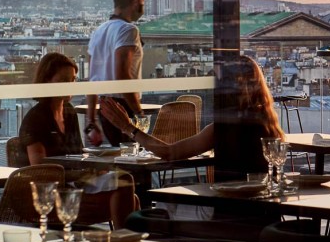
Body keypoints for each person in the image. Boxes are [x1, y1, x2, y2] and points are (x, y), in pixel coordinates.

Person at [102, 55, 285, 180]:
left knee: (162, 210)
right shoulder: (266, 121)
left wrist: (128, 127)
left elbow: (169, 152)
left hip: (229, 211)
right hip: (260, 213)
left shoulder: (227, 127)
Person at [19, 53, 135, 227]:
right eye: (64, 81)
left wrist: (95, 166)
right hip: (55, 192)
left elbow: (78, 154)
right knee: (125, 188)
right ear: (46, 81)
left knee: (130, 194)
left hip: (75, 182)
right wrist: (86, 172)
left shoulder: (68, 111)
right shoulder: (36, 118)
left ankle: (123, 240)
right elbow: (40, 170)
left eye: (73, 80)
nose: (70, 86)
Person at [87, 0, 147, 146]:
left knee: (119, 162)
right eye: (143, 0)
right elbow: (122, 75)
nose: (143, 6)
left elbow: (92, 80)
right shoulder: (128, 30)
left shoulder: (98, 31)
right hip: (124, 106)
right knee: (136, 160)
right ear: (135, 1)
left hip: (105, 106)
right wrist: (139, 112)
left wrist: (92, 120)